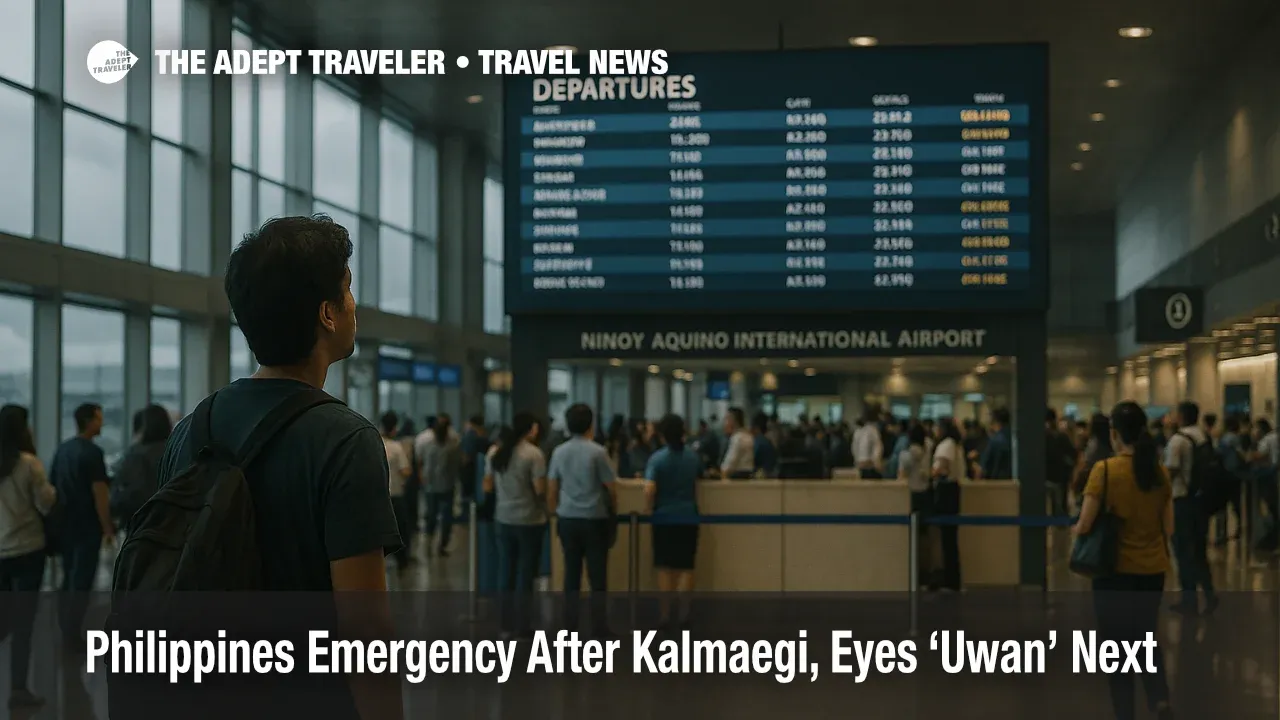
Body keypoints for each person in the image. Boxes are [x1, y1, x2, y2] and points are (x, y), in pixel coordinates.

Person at [151, 215, 402, 718]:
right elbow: (365, 632)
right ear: (328, 314)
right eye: (348, 290)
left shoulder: (191, 431)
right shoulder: (346, 441)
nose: (355, 304)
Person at [1074, 401, 1173, 720]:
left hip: (1113, 572)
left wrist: (1077, 528)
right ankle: (1159, 699)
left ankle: (1125, 712)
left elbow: (1086, 523)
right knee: (1145, 637)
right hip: (1152, 569)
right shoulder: (1159, 473)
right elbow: (1168, 527)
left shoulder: (1104, 471)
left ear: (1114, 433)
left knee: (1117, 647)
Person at [0, 404, 56, 709]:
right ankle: (18, 689)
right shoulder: (28, 464)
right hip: (27, 551)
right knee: (23, 625)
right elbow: (46, 503)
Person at [48, 401, 115, 646]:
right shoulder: (92, 453)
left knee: (68, 577)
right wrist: (107, 526)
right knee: (82, 579)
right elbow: (100, 494)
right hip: (86, 525)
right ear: (88, 420)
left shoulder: (63, 450)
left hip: (65, 523)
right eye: (99, 418)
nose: (102, 422)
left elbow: (52, 487)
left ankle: (65, 626)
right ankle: (73, 632)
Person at [547, 403, 615, 637]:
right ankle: (599, 626)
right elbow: (610, 486)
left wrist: (554, 510)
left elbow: (552, 486)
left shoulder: (559, 452)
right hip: (594, 518)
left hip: (567, 517)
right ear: (590, 424)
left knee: (571, 573)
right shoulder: (598, 452)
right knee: (597, 576)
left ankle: (570, 624)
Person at [485, 412, 546, 638]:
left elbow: (487, 486)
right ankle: (524, 625)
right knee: (526, 574)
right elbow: (540, 490)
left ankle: (505, 624)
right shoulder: (534, 454)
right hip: (530, 520)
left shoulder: (495, 452)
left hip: (503, 518)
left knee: (506, 571)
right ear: (531, 429)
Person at [644, 414, 701, 630]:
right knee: (687, 566)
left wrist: (648, 509)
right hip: (688, 514)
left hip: (664, 517)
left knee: (665, 567)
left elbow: (649, 489)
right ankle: (685, 614)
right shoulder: (693, 458)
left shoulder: (657, 459)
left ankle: (665, 615)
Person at [1163, 400, 1217, 615]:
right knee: (1199, 550)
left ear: (1181, 416)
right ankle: (1210, 594)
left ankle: (1189, 600)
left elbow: (1171, 470)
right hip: (1201, 501)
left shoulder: (1178, 440)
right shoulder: (1202, 436)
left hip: (1183, 501)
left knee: (1183, 551)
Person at [109, 403, 173, 527]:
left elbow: (133, 493)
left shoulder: (137, 454)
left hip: (143, 521)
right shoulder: (175, 449)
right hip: (173, 519)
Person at [897, 423, 936, 589]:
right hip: (926, 495)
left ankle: (912, 576)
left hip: (911, 496)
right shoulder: (929, 449)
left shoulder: (905, 456)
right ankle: (926, 576)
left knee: (910, 537)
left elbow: (901, 477)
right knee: (925, 536)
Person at [422, 413, 463, 557]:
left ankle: (429, 543)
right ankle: (441, 546)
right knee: (446, 518)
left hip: (432, 486)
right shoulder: (454, 446)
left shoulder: (428, 445)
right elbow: (458, 465)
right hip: (446, 486)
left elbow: (421, 463)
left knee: (432, 516)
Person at [931, 417, 965, 591]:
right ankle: (951, 578)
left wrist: (929, 473)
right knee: (948, 538)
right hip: (952, 491)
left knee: (948, 538)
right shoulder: (954, 444)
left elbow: (942, 469)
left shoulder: (947, 445)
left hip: (946, 492)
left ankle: (951, 580)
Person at [380, 411, 413, 569]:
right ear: (394, 428)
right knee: (401, 530)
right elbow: (405, 470)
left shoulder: (375, 442)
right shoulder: (396, 447)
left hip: (379, 496)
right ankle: (402, 560)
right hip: (395, 495)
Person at [1045, 409, 1076, 516]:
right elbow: (1072, 455)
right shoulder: (1061, 436)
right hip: (1060, 477)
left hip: (1048, 477)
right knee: (1060, 507)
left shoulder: (1042, 438)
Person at [460, 415, 491, 504]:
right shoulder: (484, 434)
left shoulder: (470, 435)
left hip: (470, 469)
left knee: (468, 496)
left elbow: (466, 456)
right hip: (481, 470)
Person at [978, 407, 1013, 480]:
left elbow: (984, 467)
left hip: (997, 483)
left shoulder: (995, 440)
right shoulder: (1014, 437)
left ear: (995, 421)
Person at [719, 407, 754, 479]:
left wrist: (721, 474)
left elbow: (728, 465)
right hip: (747, 476)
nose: (724, 423)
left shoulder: (737, 438)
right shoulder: (748, 436)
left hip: (736, 478)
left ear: (732, 421)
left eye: (726, 419)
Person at [853, 410, 884, 479]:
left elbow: (878, 446)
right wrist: (856, 461)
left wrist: (875, 460)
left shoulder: (872, 430)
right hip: (859, 464)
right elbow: (854, 448)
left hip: (870, 464)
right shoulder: (857, 432)